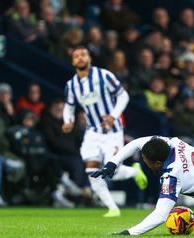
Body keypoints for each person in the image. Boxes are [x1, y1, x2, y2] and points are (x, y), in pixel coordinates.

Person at [62, 46, 147, 217]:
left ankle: (135, 171)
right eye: (76, 56)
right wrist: (68, 121)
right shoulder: (72, 85)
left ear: (89, 58)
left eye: (83, 54)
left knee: (112, 172)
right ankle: (113, 209)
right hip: (92, 133)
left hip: (112, 131)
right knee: (92, 173)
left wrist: (113, 116)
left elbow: (123, 96)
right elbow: (69, 107)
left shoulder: (104, 75)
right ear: (72, 61)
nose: (80, 58)